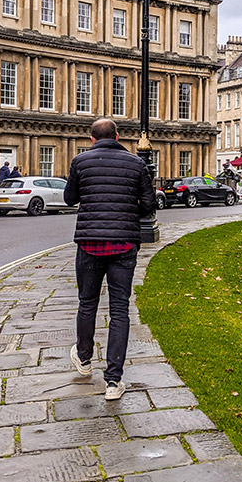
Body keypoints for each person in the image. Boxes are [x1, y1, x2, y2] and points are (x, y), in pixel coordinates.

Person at [65, 118, 155, 401]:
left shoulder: (81, 162)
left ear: (92, 139)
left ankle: (84, 359)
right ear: (117, 136)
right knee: (119, 310)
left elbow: (69, 199)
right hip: (124, 244)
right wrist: (128, 212)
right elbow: (149, 205)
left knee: (87, 303)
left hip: (90, 244)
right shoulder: (136, 164)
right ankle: (114, 381)